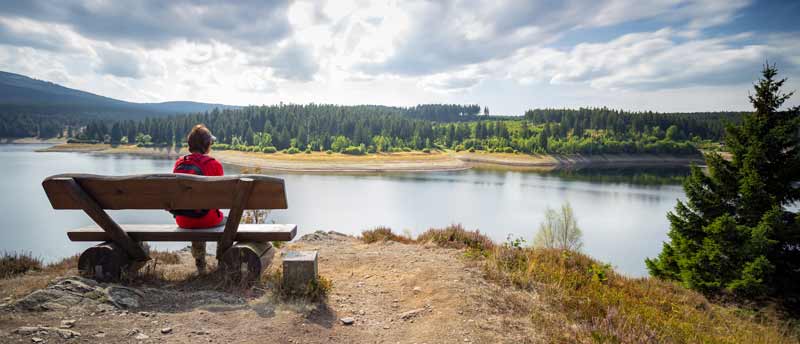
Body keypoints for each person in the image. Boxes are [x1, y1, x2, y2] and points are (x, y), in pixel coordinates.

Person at [171, 124, 224, 272]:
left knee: (196, 211)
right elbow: (221, 196)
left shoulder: (179, 163)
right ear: (207, 145)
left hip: (183, 220)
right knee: (222, 220)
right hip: (208, 219)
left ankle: (200, 262)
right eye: (211, 143)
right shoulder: (214, 165)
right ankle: (222, 260)